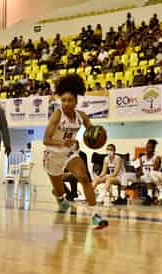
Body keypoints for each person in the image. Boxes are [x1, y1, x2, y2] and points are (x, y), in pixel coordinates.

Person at [43, 73, 108, 229]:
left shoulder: (81, 116)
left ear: (76, 101)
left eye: (69, 100)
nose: (66, 103)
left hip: (69, 153)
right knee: (60, 193)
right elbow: (46, 139)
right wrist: (61, 142)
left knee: (84, 178)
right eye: (63, 100)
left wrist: (98, 136)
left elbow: (93, 131)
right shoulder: (57, 114)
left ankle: (95, 215)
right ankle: (60, 199)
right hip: (52, 154)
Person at [135, 139, 162, 205]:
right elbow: (140, 171)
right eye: (147, 147)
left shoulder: (157, 158)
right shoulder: (142, 158)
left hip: (155, 177)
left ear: (153, 149)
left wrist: (143, 172)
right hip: (145, 177)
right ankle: (151, 195)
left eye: (150, 147)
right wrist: (138, 172)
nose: (147, 149)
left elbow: (155, 170)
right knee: (140, 176)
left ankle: (150, 195)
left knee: (149, 174)